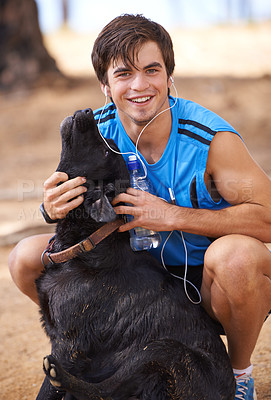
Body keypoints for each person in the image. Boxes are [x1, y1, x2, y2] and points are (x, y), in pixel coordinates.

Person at [8, 14, 271, 400]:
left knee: (238, 258)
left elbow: (268, 217)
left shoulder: (210, 138)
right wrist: (53, 208)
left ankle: (237, 374)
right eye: (124, 73)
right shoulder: (96, 129)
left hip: (208, 287)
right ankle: (110, 354)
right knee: (27, 257)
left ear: (169, 76)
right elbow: (74, 209)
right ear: (105, 85)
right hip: (133, 290)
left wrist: (172, 215)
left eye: (152, 70)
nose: (140, 85)